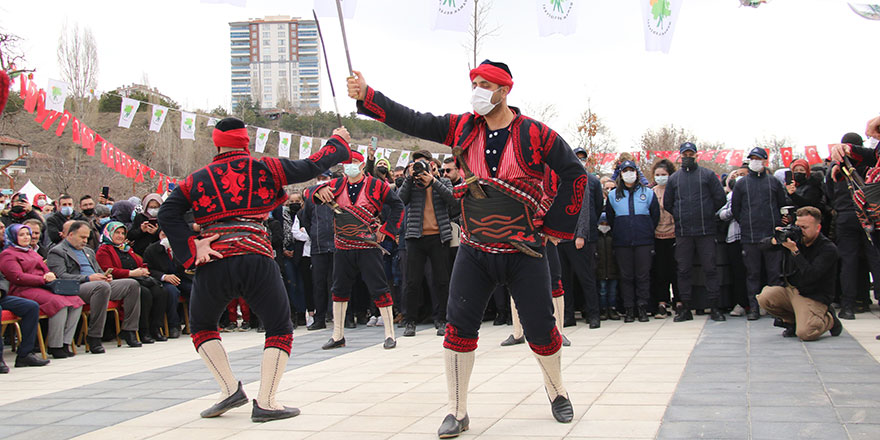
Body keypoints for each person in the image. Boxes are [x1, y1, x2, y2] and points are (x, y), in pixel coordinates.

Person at [348, 59, 584, 436]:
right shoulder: (461, 128)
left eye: (484, 84)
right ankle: (457, 411)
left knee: (541, 329)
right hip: (474, 249)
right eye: (473, 82)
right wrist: (370, 97)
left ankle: (557, 392)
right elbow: (414, 120)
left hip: (526, 251)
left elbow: (574, 172)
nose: (476, 89)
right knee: (458, 330)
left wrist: (558, 226)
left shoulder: (537, 134)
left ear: (504, 91)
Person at [158, 117, 351, 422]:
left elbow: (167, 213)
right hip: (256, 256)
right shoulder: (266, 167)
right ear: (246, 141)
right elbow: (311, 165)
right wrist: (337, 142)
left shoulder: (195, 179)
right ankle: (267, 401)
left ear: (216, 141)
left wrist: (192, 248)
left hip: (215, 258)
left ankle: (228, 389)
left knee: (202, 327)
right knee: (279, 326)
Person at [307, 150, 404, 350]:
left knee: (378, 287)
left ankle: (389, 334)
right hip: (342, 245)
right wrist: (317, 192)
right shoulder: (335, 185)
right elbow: (307, 193)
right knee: (339, 289)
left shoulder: (376, 185)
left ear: (361, 165)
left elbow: (397, 205)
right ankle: (338, 335)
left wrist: (387, 230)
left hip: (368, 245)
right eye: (345, 163)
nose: (348, 166)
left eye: (352, 162)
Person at [47, 221, 142, 353]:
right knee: (101, 287)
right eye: (82, 237)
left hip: (98, 283)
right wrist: (88, 278)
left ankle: (129, 330)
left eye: (87, 238)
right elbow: (61, 276)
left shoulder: (88, 251)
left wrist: (105, 276)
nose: (85, 241)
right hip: (77, 286)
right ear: (70, 235)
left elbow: (97, 270)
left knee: (131, 284)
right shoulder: (57, 251)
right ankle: (94, 336)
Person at [663, 142, 727, 322]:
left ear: (696, 156)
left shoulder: (707, 175)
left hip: (706, 230)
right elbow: (668, 203)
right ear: (680, 156)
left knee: (710, 269)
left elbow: (720, 198)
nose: (687, 157)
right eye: (685, 154)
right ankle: (686, 308)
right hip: (683, 232)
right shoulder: (674, 178)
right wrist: (680, 214)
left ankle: (715, 306)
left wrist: (706, 214)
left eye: (691, 154)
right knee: (683, 270)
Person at [757, 207, 842, 340]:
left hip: (813, 295)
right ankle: (792, 321)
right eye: (798, 226)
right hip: (792, 290)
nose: (800, 231)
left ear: (818, 228)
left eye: (805, 227)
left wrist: (795, 251)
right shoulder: (794, 238)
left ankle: (829, 319)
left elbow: (810, 276)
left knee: (806, 333)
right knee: (765, 297)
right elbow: (762, 246)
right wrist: (776, 239)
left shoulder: (828, 249)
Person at [0, 224, 84, 359]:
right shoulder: (8, 254)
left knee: (76, 301)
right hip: (23, 289)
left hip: (42, 287)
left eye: (27, 234)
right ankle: (55, 345)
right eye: (21, 235)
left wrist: (49, 275)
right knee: (58, 303)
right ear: (13, 237)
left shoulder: (31, 252)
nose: (26, 237)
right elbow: (17, 276)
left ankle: (65, 342)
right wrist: (43, 279)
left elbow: (44, 268)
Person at [399, 150, 455, 338]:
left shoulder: (443, 181)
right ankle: (410, 321)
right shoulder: (412, 184)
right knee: (412, 281)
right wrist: (408, 178)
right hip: (415, 237)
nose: (420, 168)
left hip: (439, 236)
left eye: (423, 164)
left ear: (431, 164)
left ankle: (442, 319)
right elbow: (400, 201)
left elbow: (452, 200)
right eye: (416, 164)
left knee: (441, 280)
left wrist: (433, 181)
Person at [732, 147, 791, 320]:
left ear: (765, 161)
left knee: (774, 274)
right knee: (753, 274)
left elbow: (782, 204)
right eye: (752, 158)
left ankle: (776, 309)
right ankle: (754, 308)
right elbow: (736, 208)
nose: (755, 161)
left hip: (772, 235)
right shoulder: (742, 183)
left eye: (758, 158)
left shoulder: (773, 182)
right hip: (750, 236)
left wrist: (780, 224)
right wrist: (745, 222)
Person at [605, 160, 660, 322]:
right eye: (625, 171)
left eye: (632, 170)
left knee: (643, 276)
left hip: (644, 241)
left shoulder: (648, 193)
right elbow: (611, 218)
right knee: (626, 276)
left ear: (636, 173)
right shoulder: (613, 195)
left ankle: (642, 307)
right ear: (621, 174)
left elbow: (655, 216)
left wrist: (646, 230)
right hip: (622, 242)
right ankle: (629, 309)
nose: (629, 174)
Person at [96, 221, 168, 343]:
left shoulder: (127, 249)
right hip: (121, 281)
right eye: (117, 233)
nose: (120, 236)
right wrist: (130, 273)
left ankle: (155, 327)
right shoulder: (104, 250)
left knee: (160, 291)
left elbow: (140, 263)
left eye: (122, 233)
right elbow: (108, 270)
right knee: (144, 293)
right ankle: (142, 330)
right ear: (109, 234)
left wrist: (143, 270)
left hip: (138, 278)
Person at [300, 171, 336, 331]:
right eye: (319, 179)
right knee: (319, 285)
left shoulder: (337, 196)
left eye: (325, 179)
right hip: (318, 247)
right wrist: (314, 234)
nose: (322, 182)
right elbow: (305, 219)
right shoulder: (310, 199)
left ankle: (346, 317)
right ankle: (319, 319)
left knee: (339, 283)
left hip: (337, 246)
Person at [143, 230, 191, 339]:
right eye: (163, 235)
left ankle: (194, 322)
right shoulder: (152, 250)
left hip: (180, 277)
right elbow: (149, 269)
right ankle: (173, 325)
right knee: (171, 292)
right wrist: (164, 276)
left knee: (193, 289)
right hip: (163, 280)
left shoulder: (180, 247)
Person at [650, 159, 678, 319]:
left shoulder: (675, 190)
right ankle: (661, 303)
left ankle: (679, 301)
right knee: (660, 272)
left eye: (664, 174)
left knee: (676, 271)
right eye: (658, 175)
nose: (661, 177)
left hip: (674, 235)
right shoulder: (651, 192)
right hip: (657, 236)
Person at [596, 213, 620, 320]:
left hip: (613, 270)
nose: (604, 225)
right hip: (600, 271)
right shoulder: (597, 237)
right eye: (602, 223)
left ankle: (612, 308)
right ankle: (603, 309)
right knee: (602, 291)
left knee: (613, 292)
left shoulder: (614, 236)